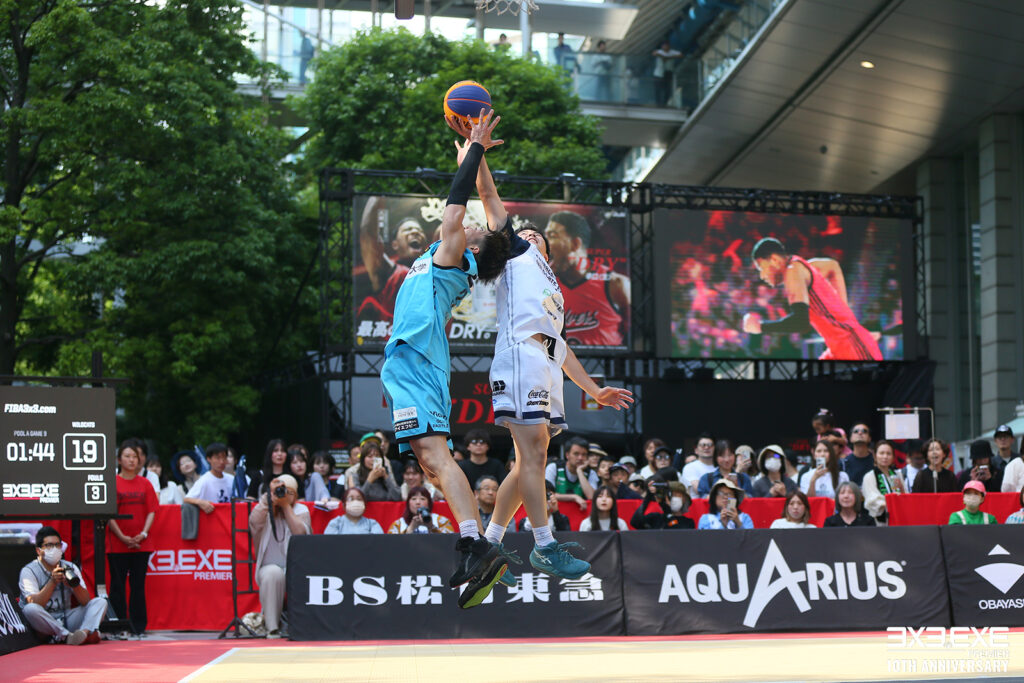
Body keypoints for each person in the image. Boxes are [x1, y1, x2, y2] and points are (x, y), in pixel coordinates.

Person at [450, 113, 633, 586]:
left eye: (536, 234)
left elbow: (562, 348)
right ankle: (544, 546)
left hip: (545, 363)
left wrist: (594, 389)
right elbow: (488, 195)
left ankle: (491, 543)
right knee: (533, 458)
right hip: (521, 358)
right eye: (523, 231)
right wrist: (477, 150)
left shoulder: (552, 285)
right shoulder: (515, 253)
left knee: (529, 460)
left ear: (548, 250)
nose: (527, 232)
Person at [380, 111, 513, 608]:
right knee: (428, 463)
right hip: (405, 363)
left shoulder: (456, 255)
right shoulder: (441, 256)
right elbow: (462, 207)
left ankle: (477, 545)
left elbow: (456, 210)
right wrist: (468, 158)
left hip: (419, 361)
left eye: (473, 227)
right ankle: (471, 542)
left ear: (473, 246)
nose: (466, 222)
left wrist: (474, 150)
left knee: (436, 456)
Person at [742, 237, 883, 360]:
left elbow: (801, 323)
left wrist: (760, 327)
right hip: (842, 346)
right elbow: (832, 266)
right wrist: (846, 316)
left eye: (761, 268)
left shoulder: (792, 271)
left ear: (774, 260)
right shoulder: (802, 266)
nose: (762, 276)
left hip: (853, 348)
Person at [543, 210, 630, 347]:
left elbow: (634, 335)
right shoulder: (544, 284)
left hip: (605, 359)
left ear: (575, 244)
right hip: (558, 359)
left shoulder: (615, 283)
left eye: (552, 236)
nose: (545, 243)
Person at [19, 526, 107, 645]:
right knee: (30, 609)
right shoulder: (29, 571)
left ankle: (83, 633)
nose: (54, 549)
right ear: (39, 551)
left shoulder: (70, 567)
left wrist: (74, 585)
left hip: (65, 617)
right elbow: (34, 603)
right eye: (49, 545)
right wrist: (52, 582)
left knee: (100, 602)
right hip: (44, 621)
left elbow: (86, 601)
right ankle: (67, 636)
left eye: (57, 545)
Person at [249, 474, 310, 637]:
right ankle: (272, 627)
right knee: (273, 573)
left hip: (297, 568)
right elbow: (254, 522)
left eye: (289, 492)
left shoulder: (301, 510)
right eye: (281, 491)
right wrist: (268, 500)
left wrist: (285, 507)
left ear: (295, 496)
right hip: (268, 568)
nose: (284, 494)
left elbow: (301, 534)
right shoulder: (264, 508)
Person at [107, 442, 158, 635]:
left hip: (141, 544)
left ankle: (138, 626)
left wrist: (143, 534)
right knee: (117, 586)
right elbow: (108, 513)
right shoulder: (112, 483)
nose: (131, 460)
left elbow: (152, 510)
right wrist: (122, 536)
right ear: (119, 460)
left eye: (135, 457)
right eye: (127, 456)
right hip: (117, 543)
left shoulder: (145, 483)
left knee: (138, 586)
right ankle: (119, 625)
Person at [860, 439, 904, 525]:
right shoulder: (870, 476)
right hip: (879, 522)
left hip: (899, 518)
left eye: (888, 454)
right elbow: (873, 500)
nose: (885, 457)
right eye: (881, 453)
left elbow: (905, 496)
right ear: (875, 456)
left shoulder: (897, 474)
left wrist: (901, 489)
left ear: (893, 457)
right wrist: (892, 503)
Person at [545, 436, 598, 506]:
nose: (580, 458)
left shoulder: (591, 473)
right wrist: (574, 497)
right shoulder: (554, 467)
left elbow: (592, 497)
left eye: (584, 454)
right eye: (576, 454)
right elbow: (548, 494)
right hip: (556, 511)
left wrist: (579, 471)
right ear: (567, 455)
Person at [630, 473, 695, 530]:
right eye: (671, 495)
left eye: (677, 495)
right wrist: (649, 496)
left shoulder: (689, 522)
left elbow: (673, 528)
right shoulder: (655, 518)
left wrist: (667, 510)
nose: (673, 498)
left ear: (684, 499)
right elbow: (635, 522)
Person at [183, 442, 234, 513]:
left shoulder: (232, 479)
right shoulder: (204, 480)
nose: (221, 462)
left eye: (224, 458)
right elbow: (186, 499)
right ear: (208, 459)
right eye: (217, 458)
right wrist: (200, 502)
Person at [387, 486, 454, 534]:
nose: (418, 502)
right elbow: (391, 544)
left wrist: (431, 527)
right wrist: (411, 528)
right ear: (408, 503)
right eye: (414, 499)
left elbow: (450, 541)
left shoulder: (441, 521)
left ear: (429, 503)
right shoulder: (398, 524)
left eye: (422, 499)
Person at [842, 423, 875, 488]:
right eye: (856, 431)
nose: (860, 433)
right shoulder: (843, 464)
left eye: (864, 431)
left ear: (869, 438)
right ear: (850, 438)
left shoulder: (876, 462)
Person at [651, 40, 682, 105]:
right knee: (658, 89)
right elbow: (654, 53)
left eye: (666, 45)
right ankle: (658, 103)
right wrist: (662, 56)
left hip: (668, 72)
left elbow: (680, 55)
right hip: (659, 73)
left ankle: (665, 102)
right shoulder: (659, 51)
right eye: (664, 45)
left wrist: (668, 57)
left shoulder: (672, 52)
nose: (665, 47)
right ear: (662, 46)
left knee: (667, 89)